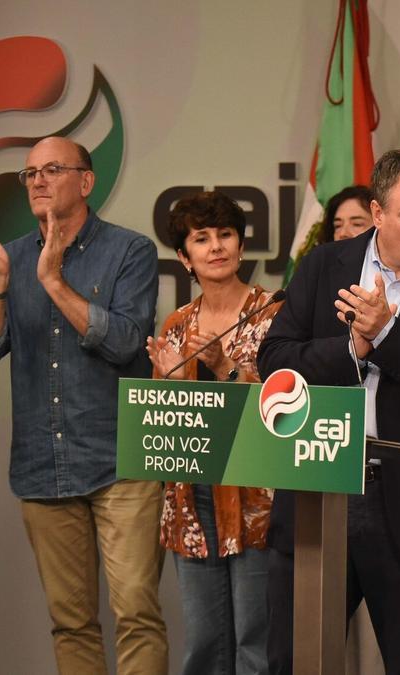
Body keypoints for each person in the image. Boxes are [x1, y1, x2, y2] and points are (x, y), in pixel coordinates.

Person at [258, 147, 400, 674]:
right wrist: (351, 350)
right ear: (378, 213)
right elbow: (275, 362)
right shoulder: (324, 264)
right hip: (317, 490)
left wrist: (385, 332)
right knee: (295, 660)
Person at [0, 136, 166, 672]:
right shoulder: (12, 257)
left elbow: (122, 342)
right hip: (42, 467)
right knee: (70, 624)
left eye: (51, 170)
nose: (38, 181)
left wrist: (52, 282)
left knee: (136, 613)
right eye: (30, 174)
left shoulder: (131, 251)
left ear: (86, 182)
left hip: (122, 465)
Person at [145, 191, 283, 675]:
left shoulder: (274, 316)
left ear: (242, 247)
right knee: (203, 643)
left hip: (255, 499)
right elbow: (167, 424)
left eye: (225, 235)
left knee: (254, 641)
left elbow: (283, 406)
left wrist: (225, 366)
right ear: (184, 257)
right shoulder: (178, 324)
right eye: (201, 239)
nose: (216, 247)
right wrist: (167, 383)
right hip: (192, 499)